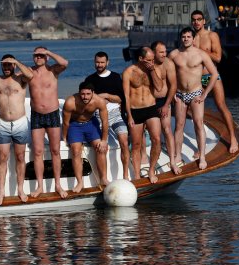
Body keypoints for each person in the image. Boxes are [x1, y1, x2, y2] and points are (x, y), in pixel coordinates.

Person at [169, 27, 219, 170]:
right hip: (179, 94)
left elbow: (214, 74)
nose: (186, 39)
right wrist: (171, 93)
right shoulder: (174, 54)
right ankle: (177, 155)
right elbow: (166, 73)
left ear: (193, 38)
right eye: (183, 37)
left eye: (188, 37)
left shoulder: (201, 54)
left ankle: (202, 156)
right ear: (180, 38)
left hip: (196, 93)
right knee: (179, 125)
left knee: (198, 123)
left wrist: (205, 93)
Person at [191, 10, 239, 154]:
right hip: (196, 78)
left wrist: (198, 50)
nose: (196, 22)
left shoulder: (211, 36)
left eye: (199, 19)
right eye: (194, 20)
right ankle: (201, 145)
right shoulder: (189, 37)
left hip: (211, 76)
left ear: (204, 21)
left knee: (221, 105)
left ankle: (233, 138)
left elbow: (218, 57)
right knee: (194, 110)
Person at [0, 54, 33, 204]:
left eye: (9, 65)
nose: (7, 68)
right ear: (1, 65)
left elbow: (30, 75)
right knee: (2, 158)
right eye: (5, 65)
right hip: (3, 124)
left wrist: (16, 62)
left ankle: (21, 189)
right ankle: (1, 191)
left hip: (20, 123)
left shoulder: (21, 78)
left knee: (20, 157)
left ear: (13, 65)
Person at [28, 46, 68, 198]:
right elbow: (13, 76)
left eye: (41, 55)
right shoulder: (29, 72)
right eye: (36, 55)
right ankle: (40, 186)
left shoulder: (53, 71)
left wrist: (49, 52)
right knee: (37, 152)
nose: (38, 58)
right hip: (36, 115)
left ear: (46, 57)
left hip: (52, 114)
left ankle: (58, 185)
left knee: (55, 150)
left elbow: (65, 63)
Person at [84, 51, 130, 180]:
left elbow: (120, 99)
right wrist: (98, 100)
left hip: (116, 115)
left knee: (124, 142)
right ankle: (103, 178)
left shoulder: (115, 77)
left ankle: (125, 174)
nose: (99, 65)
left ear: (107, 62)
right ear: (94, 62)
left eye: (102, 62)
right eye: (97, 62)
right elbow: (86, 100)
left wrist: (106, 95)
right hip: (98, 117)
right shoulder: (90, 80)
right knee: (101, 147)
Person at [122, 47, 163, 183]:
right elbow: (126, 97)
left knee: (156, 139)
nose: (152, 62)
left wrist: (152, 70)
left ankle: (151, 170)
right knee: (136, 144)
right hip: (135, 111)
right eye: (149, 60)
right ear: (140, 59)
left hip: (151, 108)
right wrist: (129, 116)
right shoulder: (128, 72)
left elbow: (159, 87)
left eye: (153, 60)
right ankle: (138, 175)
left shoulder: (153, 69)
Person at [62, 81, 109, 193]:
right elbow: (65, 123)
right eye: (82, 94)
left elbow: (105, 121)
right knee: (75, 150)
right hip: (74, 125)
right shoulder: (70, 102)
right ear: (79, 93)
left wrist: (104, 140)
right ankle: (80, 182)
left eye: (88, 94)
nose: (85, 97)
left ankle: (103, 178)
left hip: (91, 124)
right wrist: (64, 138)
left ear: (93, 93)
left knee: (101, 148)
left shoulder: (99, 101)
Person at [150, 41, 181, 175]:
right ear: (153, 53)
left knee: (167, 128)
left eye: (165, 51)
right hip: (149, 102)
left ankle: (173, 162)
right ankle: (146, 160)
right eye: (161, 52)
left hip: (163, 101)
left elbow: (173, 85)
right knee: (147, 131)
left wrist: (167, 104)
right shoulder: (147, 63)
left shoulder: (168, 63)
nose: (164, 54)